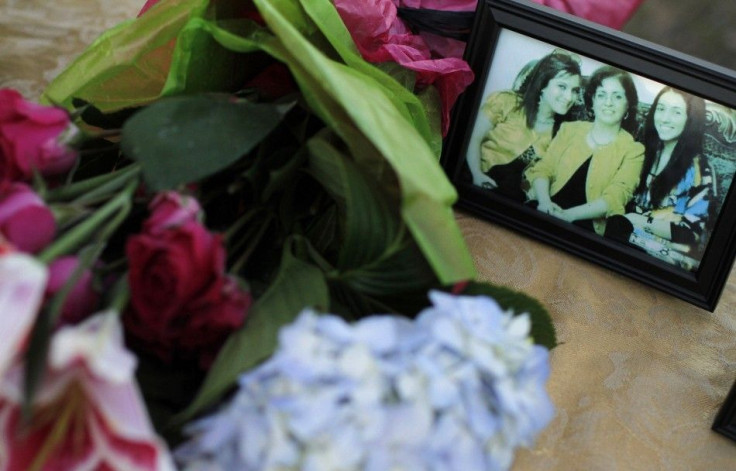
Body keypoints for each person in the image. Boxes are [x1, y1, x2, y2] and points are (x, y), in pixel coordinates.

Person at [526, 66, 644, 235]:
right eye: (601, 95)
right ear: (592, 101)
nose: (608, 103)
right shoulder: (569, 130)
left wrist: (567, 215)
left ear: (628, 106)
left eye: (617, 97)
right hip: (545, 210)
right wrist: (544, 203)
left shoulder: (634, 150)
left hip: (585, 230)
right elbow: (544, 169)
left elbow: (614, 198)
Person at [604, 87, 712, 269]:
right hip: (623, 234)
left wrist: (638, 221)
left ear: (690, 120)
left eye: (676, 112)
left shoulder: (698, 168)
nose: (664, 119)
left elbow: (691, 232)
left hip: (666, 252)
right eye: (661, 109)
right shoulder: (642, 150)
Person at [467, 50, 582, 202]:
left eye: (575, 90)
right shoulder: (506, 101)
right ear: (542, 84)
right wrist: (476, 173)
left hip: (510, 197)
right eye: (562, 86)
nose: (569, 97)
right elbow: (471, 138)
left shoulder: (565, 132)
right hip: (471, 177)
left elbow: (549, 177)